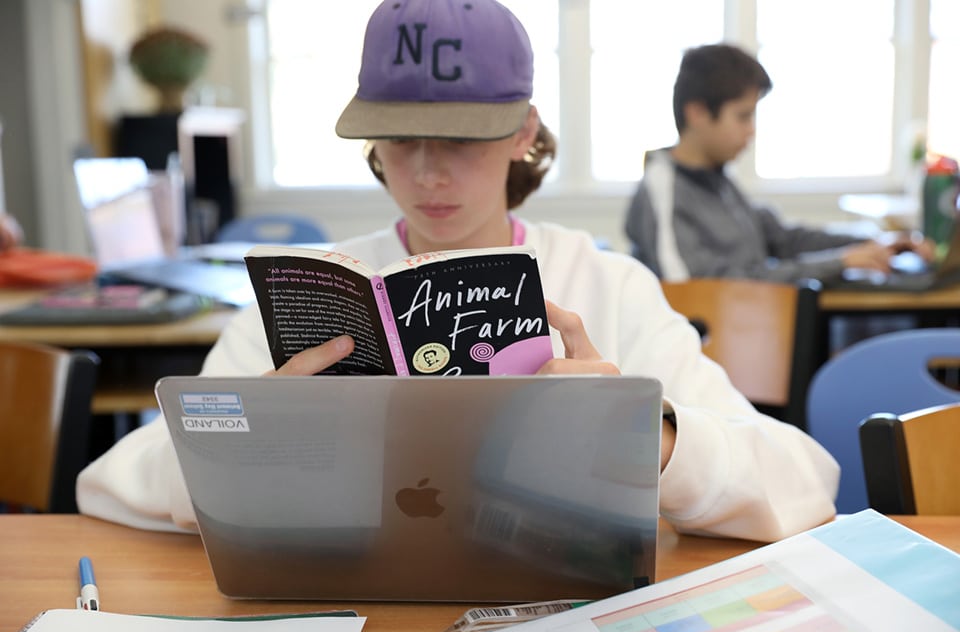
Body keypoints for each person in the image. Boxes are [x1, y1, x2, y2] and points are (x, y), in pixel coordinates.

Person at [77, 0, 839, 542]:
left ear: (523, 131)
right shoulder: (311, 296)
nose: (427, 172)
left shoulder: (607, 287)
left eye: (461, 139)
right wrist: (246, 445)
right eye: (399, 138)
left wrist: (655, 440)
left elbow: (803, 478)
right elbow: (109, 482)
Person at [624, 43, 933, 283]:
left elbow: (784, 239)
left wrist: (876, 242)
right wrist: (838, 263)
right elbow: (691, 286)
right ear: (697, 113)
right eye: (743, 116)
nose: (751, 130)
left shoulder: (718, 182)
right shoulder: (664, 186)